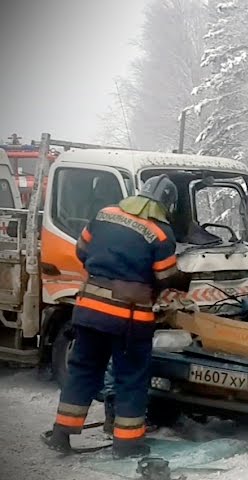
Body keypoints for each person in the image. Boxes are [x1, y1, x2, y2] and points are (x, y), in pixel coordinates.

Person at [44, 175, 190, 458]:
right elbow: (165, 276)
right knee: (131, 377)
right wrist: (184, 279)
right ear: (167, 205)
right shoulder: (161, 234)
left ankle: (61, 434)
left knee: (83, 371)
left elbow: (82, 251)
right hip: (129, 320)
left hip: (87, 312)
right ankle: (127, 443)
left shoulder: (105, 214)